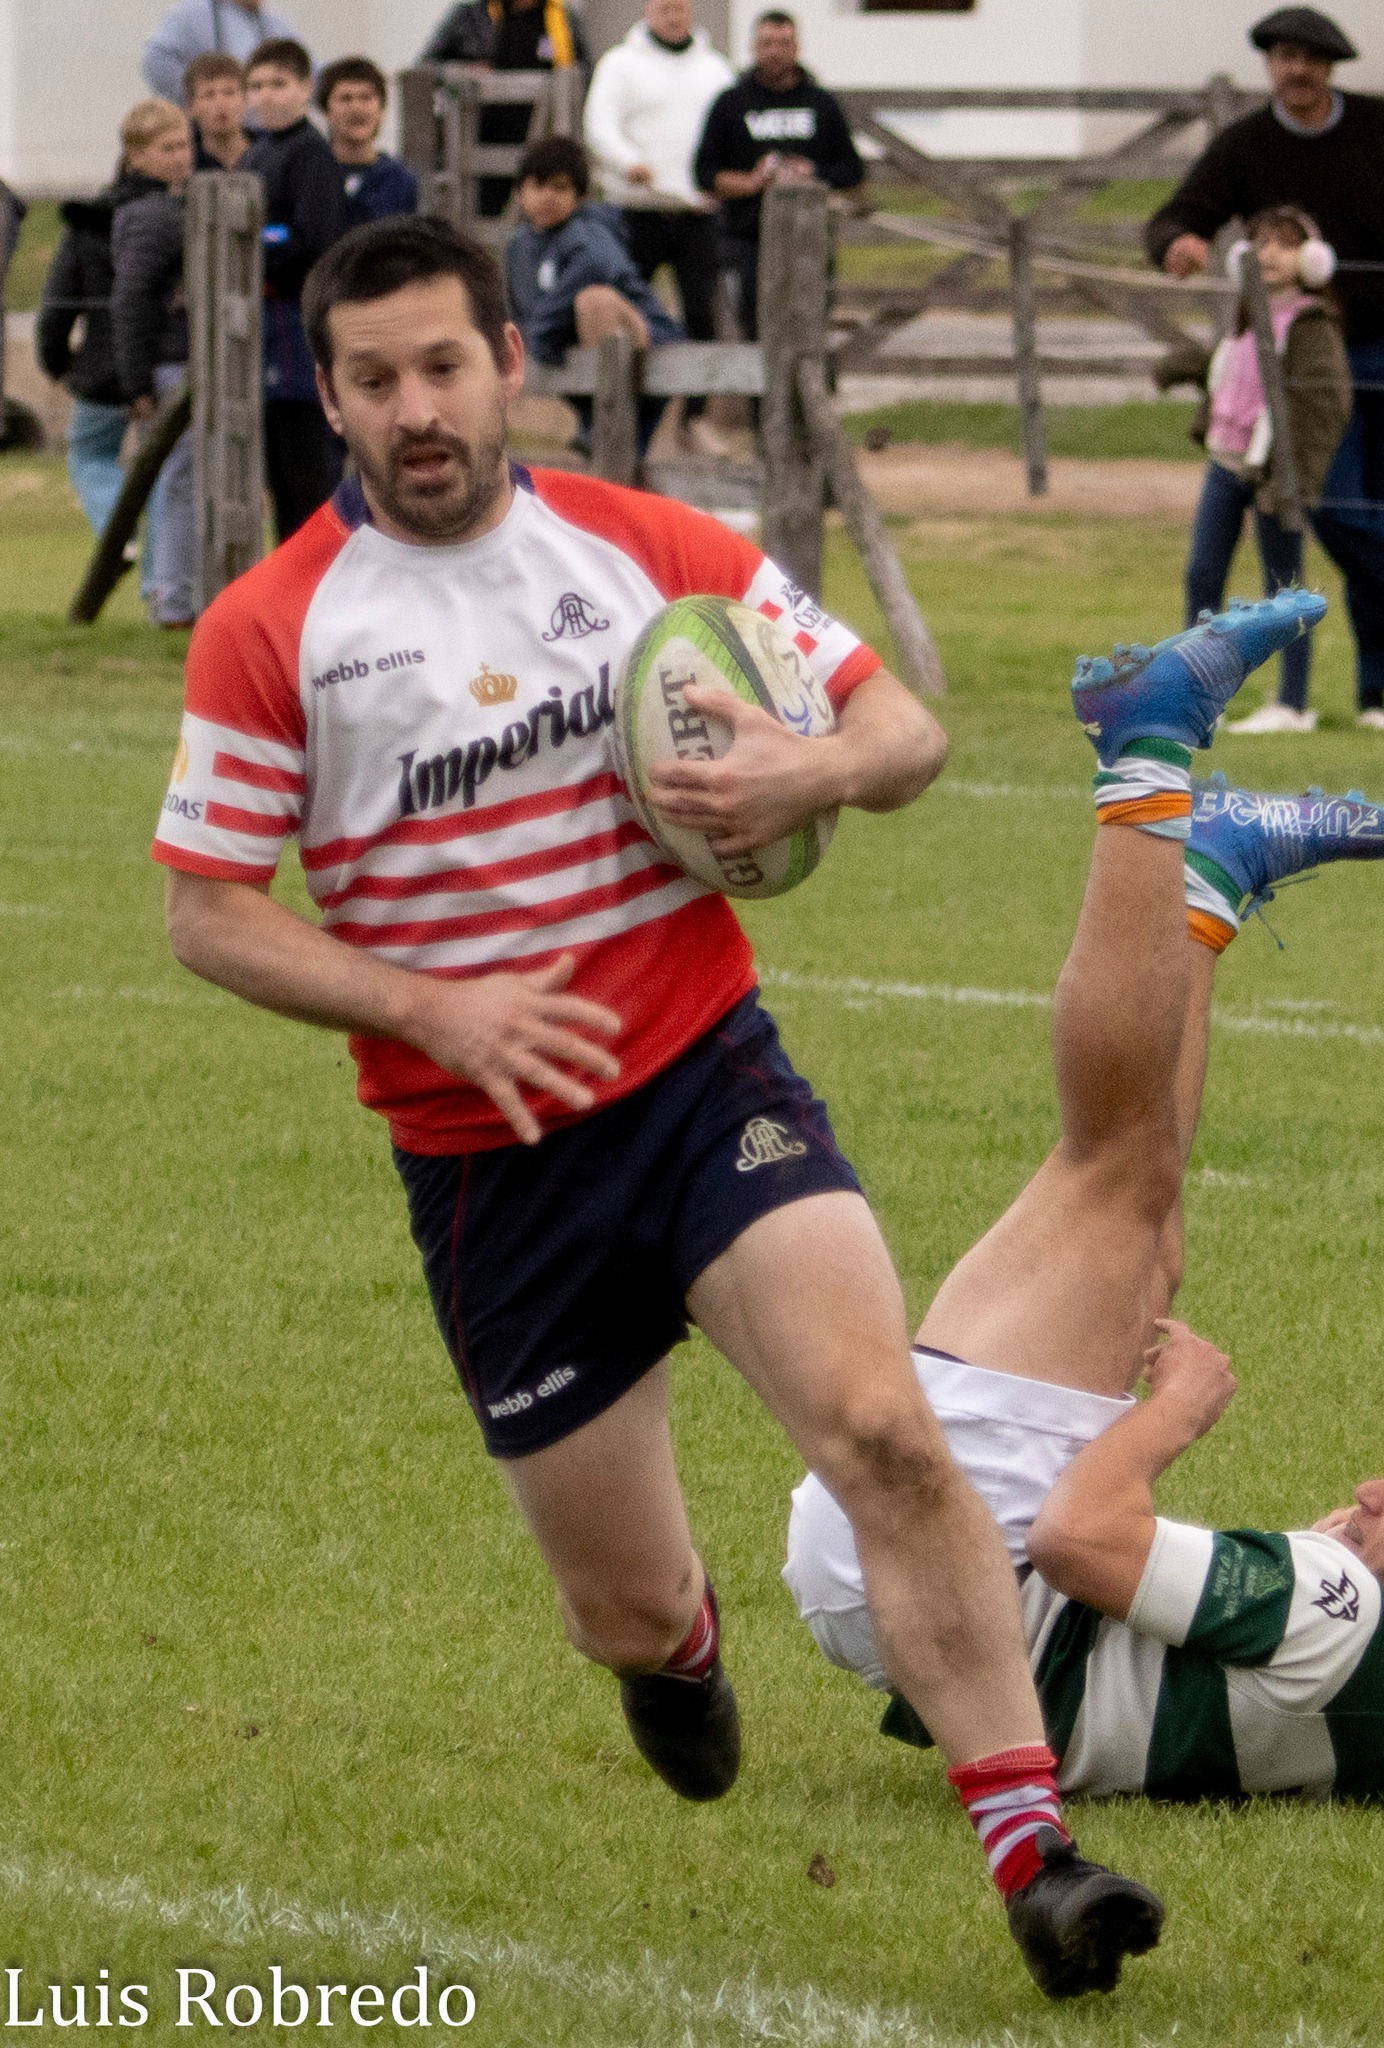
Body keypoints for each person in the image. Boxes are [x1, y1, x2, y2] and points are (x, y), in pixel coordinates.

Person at [148, 213, 1165, 2002]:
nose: (417, 410)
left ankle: (1033, 1851)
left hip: (705, 1081)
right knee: (615, 1605)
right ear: (329, 400)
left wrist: (819, 759)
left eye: (444, 366)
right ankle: (674, 1641)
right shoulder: (269, 630)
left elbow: (904, 728)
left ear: (509, 366)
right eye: (374, 380)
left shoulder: (647, 551)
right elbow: (206, 908)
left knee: (882, 1428)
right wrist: (424, 1003)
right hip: (489, 1173)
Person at [786, 601, 1384, 1801]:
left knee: (1114, 1174)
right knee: (1151, 1239)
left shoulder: (1341, 1616)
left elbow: (1080, 1539)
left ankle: (1148, 745)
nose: (1375, 1489)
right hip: (946, 1617)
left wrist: (1179, 1410)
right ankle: (1210, 886)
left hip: (943, 1559)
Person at [1145, 7, 1384, 729]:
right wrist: (1176, 242)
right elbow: (1180, 213)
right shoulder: (1245, 145)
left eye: (1312, 60)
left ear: (1331, 69)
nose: (1298, 71)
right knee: (1338, 511)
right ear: (1269, 65)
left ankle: (1375, 693)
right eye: (1285, 57)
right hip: (1319, 365)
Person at [1185, 206, 1350, 737]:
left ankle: (1292, 702)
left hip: (1274, 475)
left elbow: (1324, 407)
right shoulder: (1245, 317)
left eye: (1285, 243)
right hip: (1225, 463)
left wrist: (1291, 480)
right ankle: (1197, 693)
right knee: (1203, 575)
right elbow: (1230, 377)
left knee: (1283, 590)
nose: (1270, 254)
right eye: (1260, 242)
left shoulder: (1311, 325)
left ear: (1312, 258)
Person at [585, 0, 733, 451]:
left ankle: (694, 419)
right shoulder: (620, 65)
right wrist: (628, 161)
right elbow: (599, 124)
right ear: (649, 9)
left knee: (702, 314)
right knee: (626, 313)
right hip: (636, 210)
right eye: (665, 6)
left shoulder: (716, 71)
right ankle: (622, 419)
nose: (674, 15)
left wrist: (722, 178)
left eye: (680, 7)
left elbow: (729, 133)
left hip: (695, 212)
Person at [693, 9, 864, 343]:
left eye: (783, 43)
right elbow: (704, 174)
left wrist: (810, 172)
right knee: (754, 321)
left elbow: (852, 170)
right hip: (747, 235)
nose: (774, 52)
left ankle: (811, 390)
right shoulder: (731, 104)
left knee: (810, 320)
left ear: (796, 47)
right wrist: (753, 181)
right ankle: (759, 395)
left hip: (808, 236)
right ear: (754, 47)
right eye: (767, 43)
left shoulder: (821, 104)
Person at [504, 135, 682, 455]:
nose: (548, 196)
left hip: (647, 346)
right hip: (579, 360)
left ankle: (609, 431)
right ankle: (602, 432)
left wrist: (541, 336)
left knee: (594, 300)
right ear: (520, 190)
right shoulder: (519, 246)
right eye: (538, 186)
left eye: (560, 188)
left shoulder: (590, 234)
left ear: (579, 196)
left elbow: (591, 274)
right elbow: (522, 308)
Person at [241, 38, 346, 539]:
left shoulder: (311, 156)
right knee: (273, 474)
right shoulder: (254, 155)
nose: (266, 96)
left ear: (306, 87)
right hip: (257, 331)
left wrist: (259, 242)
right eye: (256, 86)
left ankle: (314, 582)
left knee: (304, 470)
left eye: (279, 84)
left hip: (294, 333)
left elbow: (311, 244)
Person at [36, 137, 164, 540]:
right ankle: (159, 588)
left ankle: (118, 536)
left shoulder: (88, 223)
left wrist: (55, 361)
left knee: (91, 457)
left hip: (100, 371)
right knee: (163, 473)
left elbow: (58, 304)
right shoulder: (176, 215)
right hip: (164, 361)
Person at [110, 100, 198, 627]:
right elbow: (131, 298)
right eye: (167, 148)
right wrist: (135, 381)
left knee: (183, 481)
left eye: (185, 144)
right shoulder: (149, 215)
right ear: (137, 157)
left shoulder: (180, 204)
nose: (181, 156)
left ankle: (185, 591)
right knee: (176, 482)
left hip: (182, 359)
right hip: (168, 363)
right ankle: (172, 596)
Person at [420, 0, 591, 220]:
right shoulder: (471, 16)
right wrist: (462, 72)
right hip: (479, 146)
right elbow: (423, 71)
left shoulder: (563, 20)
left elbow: (584, 79)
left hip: (542, 151)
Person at [316, 57, 420, 229]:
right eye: (345, 98)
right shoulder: (310, 174)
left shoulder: (401, 180)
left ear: (382, 109)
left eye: (366, 98)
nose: (356, 108)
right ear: (326, 110)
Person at [143, 0, 300, 103]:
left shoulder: (272, 22)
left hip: (259, 132)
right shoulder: (194, 13)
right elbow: (156, 60)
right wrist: (197, 100)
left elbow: (306, 69)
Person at [184, 52, 250, 170]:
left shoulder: (270, 154)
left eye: (229, 92)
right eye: (209, 95)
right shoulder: (183, 162)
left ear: (246, 99)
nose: (220, 103)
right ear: (191, 106)